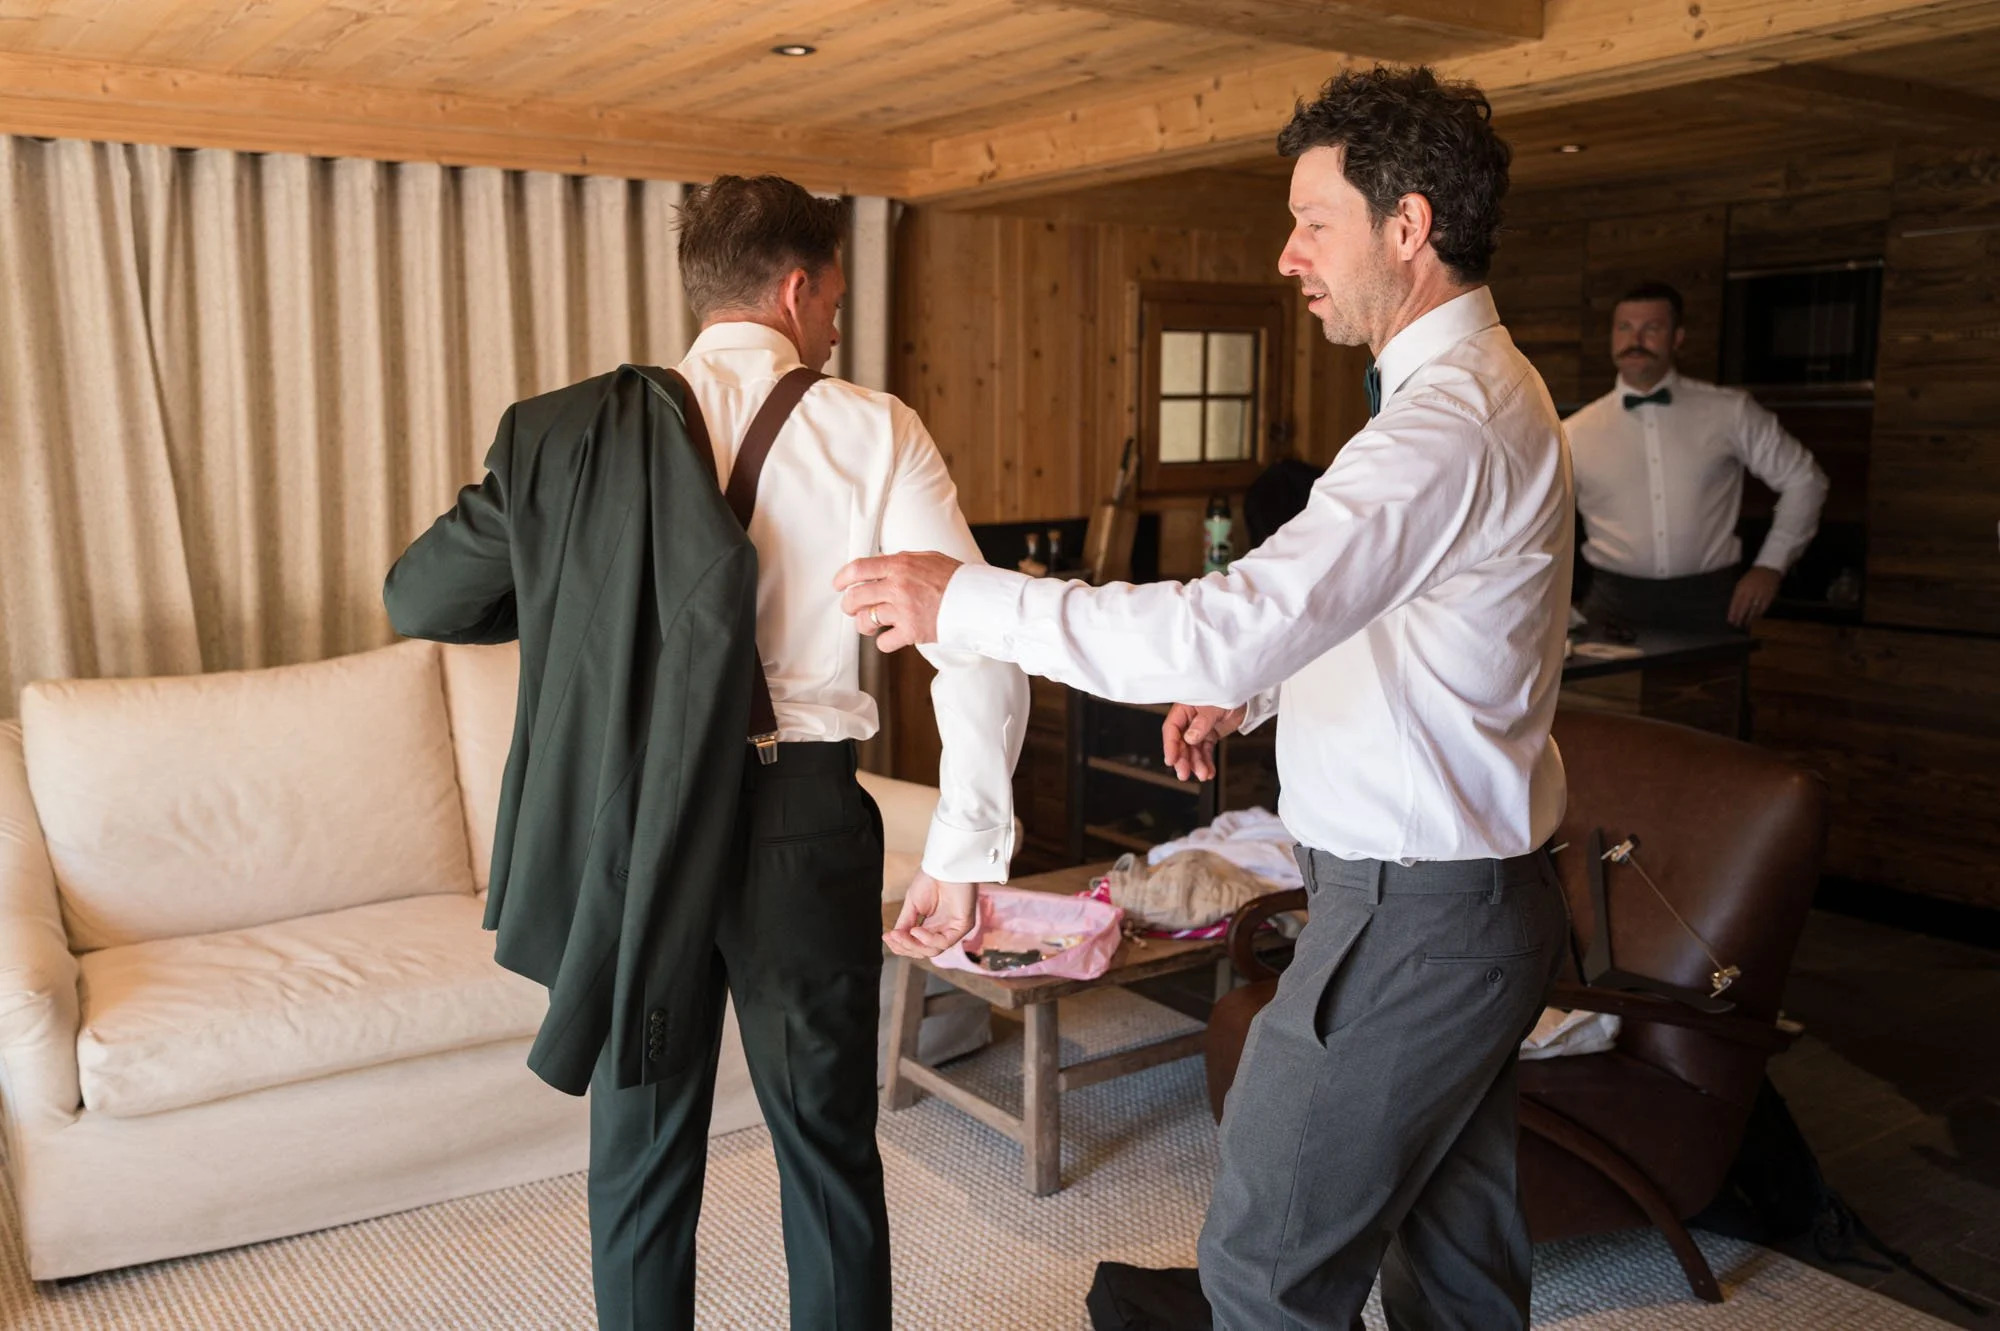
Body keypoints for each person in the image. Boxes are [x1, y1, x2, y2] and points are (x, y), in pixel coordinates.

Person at [838, 65, 1573, 1331]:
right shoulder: (1480, 393)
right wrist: (1263, 691)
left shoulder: (1440, 424)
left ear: (1407, 227)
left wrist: (964, 598)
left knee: (1263, 1271)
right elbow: (1398, 611)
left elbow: (1216, 624)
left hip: (1409, 921)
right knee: (1454, 1277)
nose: (1287, 254)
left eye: (1311, 220)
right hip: (1466, 910)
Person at [387, 174, 1026, 1330]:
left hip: (637, 827)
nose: (834, 322)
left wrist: (566, 568)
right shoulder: (875, 428)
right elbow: (974, 643)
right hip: (805, 821)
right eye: (832, 297)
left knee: (638, 1156)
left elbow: (420, 593)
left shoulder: (571, 440)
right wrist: (966, 842)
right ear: (795, 288)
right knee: (826, 1152)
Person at [1567, 281, 1828, 633]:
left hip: (1711, 602)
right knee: (1607, 691)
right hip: (1610, 606)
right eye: (1625, 328)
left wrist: (1771, 565)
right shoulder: (1573, 432)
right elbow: (1542, 520)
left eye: (1652, 328)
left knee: (1709, 689)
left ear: (1677, 338)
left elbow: (1805, 480)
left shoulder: (1730, 412)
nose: (1636, 340)